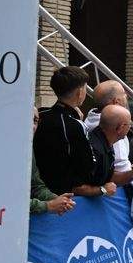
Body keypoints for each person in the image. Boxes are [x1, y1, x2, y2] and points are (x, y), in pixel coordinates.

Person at [34, 66, 113, 199]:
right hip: (64, 194)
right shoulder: (75, 125)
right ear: (80, 91)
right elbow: (88, 167)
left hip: (36, 186)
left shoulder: (40, 114)